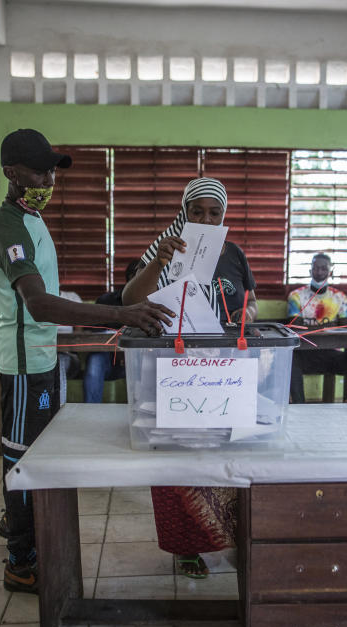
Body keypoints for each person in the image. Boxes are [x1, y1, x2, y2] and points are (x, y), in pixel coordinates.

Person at [0, 128, 172, 594]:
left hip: (44, 357)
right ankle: (20, 561)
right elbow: (40, 304)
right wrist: (121, 315)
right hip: (25, 365)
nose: (48, 178)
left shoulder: (31, 218)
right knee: (24, 459)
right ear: (11, 173)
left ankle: (23, 531)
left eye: (51, 170)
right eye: (39, 170)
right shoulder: (8, 226)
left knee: (34, 453)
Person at [122, 177, 258, 579]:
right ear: (184, 212)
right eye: (196, 210)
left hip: (225, 371)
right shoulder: (165, 247)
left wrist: (247, 316)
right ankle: (185, 548)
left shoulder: (233, 254)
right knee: (177, 460)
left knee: (228, 458)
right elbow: (129, 300)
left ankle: (235, 539)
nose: (205, 218)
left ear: (224, 216)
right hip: (173, 370)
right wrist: (159, 263)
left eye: (214, 212)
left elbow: (250, 304)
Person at [287, 253, 347, 415]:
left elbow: (346, 328)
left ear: (330, 272)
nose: (320, 272)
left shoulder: (339, 297)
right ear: (310, 271)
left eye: (324, 268)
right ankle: (299, 411)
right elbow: (296, 327)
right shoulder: (296, 296)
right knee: (289, 362)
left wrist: (316, 326)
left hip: (331, 355)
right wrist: (330, 325)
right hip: (304, 355)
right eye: (316, 268)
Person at [83, 259, 143, 403]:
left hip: (139, 359)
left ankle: (142, 412)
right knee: (94, 361)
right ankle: (91, 413)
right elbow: (90, 330)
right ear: (131, 278)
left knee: (145, 360)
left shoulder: (154, 302)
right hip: (108, 359)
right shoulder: (106, 300)